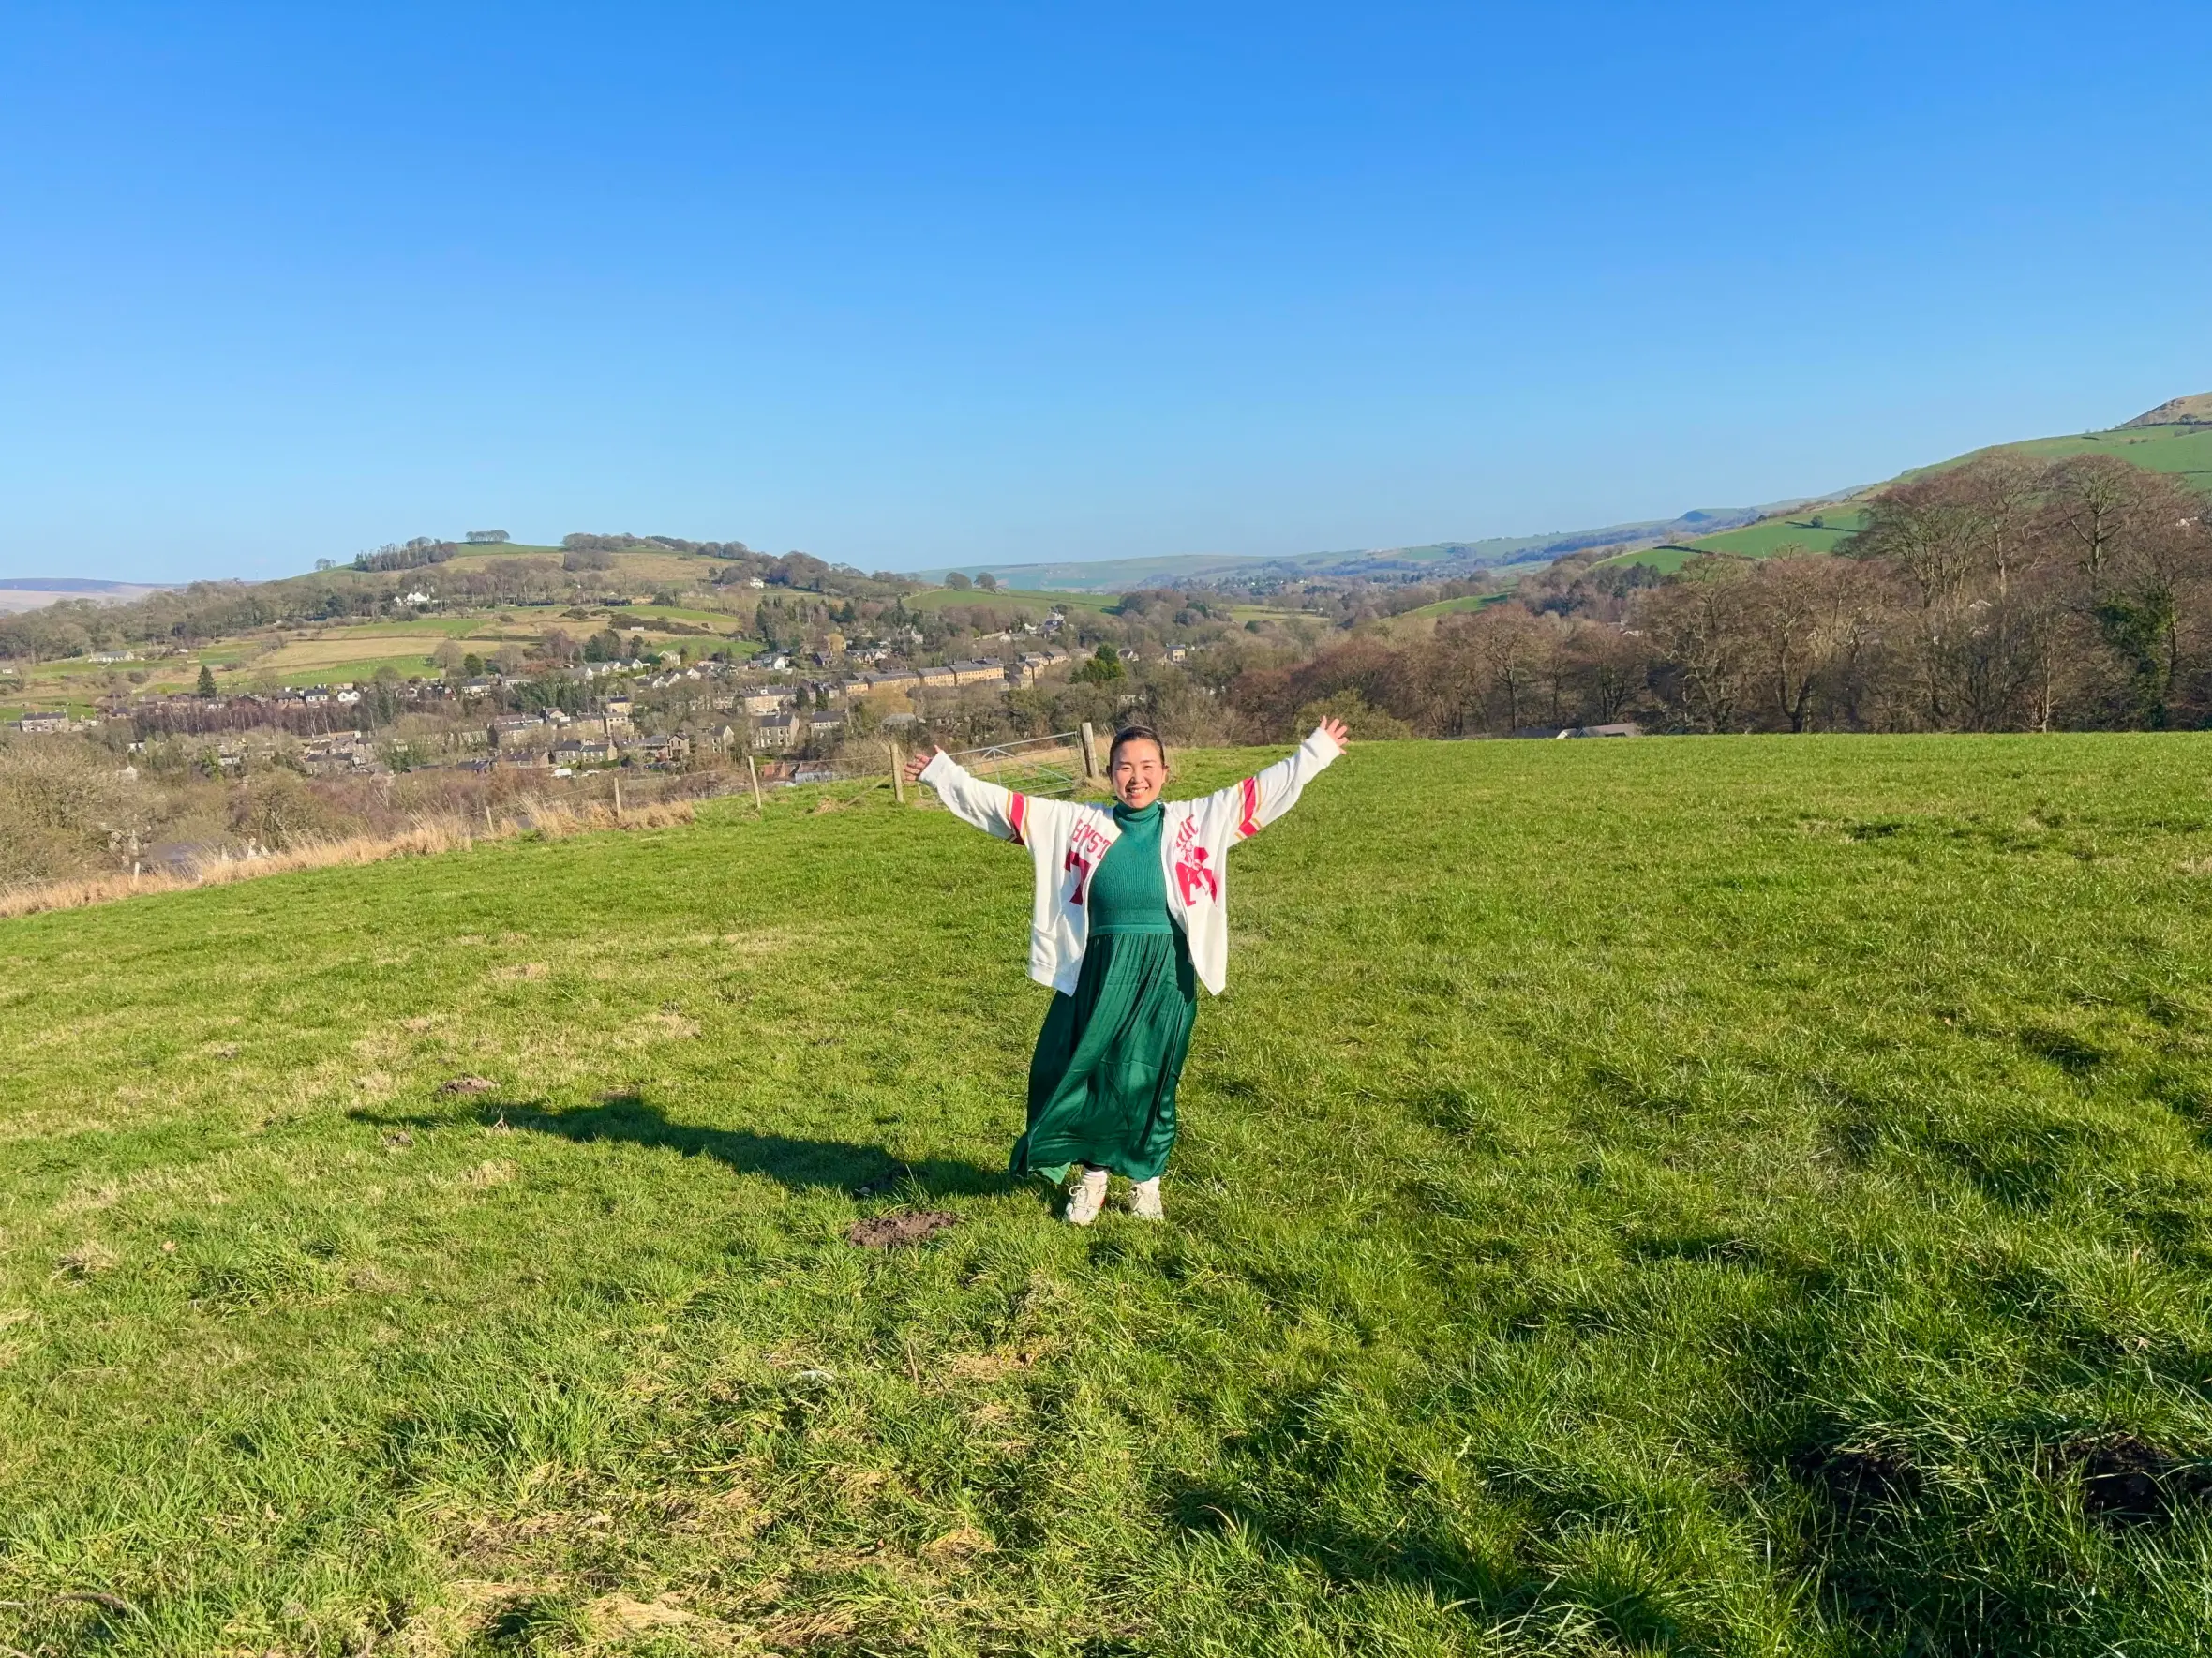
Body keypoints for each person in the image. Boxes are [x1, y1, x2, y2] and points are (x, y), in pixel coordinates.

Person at [904, 718, 1350, 1223]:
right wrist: (944, 774)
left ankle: (1145, 1181)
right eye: (1124, 768)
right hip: (1098, 967)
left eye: (1146, 767)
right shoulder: (1079, 824)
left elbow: (1261, 791)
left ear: (1164, 772)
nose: (1136, 778)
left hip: (1165, 971)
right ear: (1109, 775)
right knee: (1088, 1073)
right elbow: (1006, 807)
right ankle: (1092, 1178)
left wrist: (1315, 751)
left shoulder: (1196, 820)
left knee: (1151, 1078)